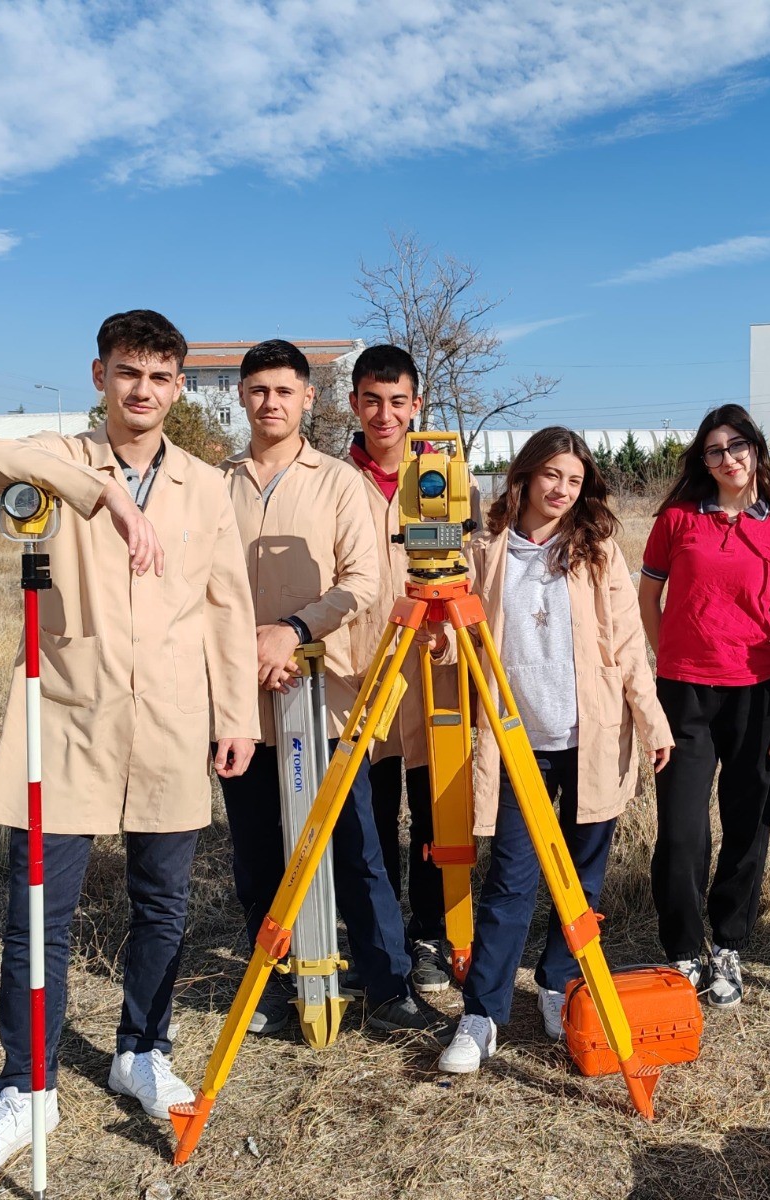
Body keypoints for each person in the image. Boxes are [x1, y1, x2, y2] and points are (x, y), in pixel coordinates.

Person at [0, 310, 260, 1186]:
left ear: (177, 386)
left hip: (169, 721)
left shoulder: (203, 482)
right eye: (128, 373)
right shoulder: (64, 455)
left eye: (160, 377)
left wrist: (238, 715)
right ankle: (24, 1089)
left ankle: (141, 1051)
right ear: (99, 376)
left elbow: (228, 607)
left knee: (162, 905)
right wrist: (106, 494)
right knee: (36, 916)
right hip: (65, 721)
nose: (143, 391)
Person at [216, 339, 436, 1038]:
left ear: (309, 398)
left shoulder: (338, 483)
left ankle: (388, 986)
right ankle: (281, 984)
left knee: (356, 847)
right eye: (258, 391)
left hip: (325, 698)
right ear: (242, 397)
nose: (270, 403)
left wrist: (292, 631)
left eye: (285, 391)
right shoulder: (215, 485)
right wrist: (248, 648)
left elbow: (362, 583)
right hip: (242, 699)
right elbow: (197, 589)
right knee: (258, 851)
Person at [437, 428, 673, 1072]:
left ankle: (557, 983)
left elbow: (628, 647)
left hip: (591, 740)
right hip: (517, 745)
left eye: (574, 480)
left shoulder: (597, 552)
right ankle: (481, 1015)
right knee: (511, 880)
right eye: (552, 476)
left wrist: (652, 723)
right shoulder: (483, 551)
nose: (562, 490)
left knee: (582, 879)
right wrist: (439, 644)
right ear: (525, 475)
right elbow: (463, 643)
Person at [639, 404, 770, 1009]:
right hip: (683, 694)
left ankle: (728, 944)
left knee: (747, 825)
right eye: (714, 451)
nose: (727, 459)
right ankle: (684, 949)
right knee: (682, 830)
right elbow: (648, 598)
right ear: (702, 461)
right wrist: (665, 665)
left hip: (758, 693)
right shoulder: (677, 521)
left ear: (757, 452)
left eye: (737, 447)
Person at [346, 344, 457, 995]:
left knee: (435, 820)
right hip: (362, 680)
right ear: (355, 404)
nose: (384, 414)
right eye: (371, 400)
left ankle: (428, 935)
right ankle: (378, 939)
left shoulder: (441, 476)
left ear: (416, 404)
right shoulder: (334, 481)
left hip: (431, 677)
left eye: (397, 401)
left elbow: (463, 565)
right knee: (370, 820)